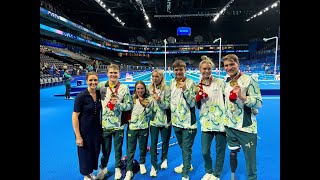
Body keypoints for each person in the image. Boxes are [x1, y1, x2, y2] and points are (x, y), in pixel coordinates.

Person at [222, 54, 262, 180]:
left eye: (232, 64)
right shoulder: (226, 81)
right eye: (226, 65)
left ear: (238, 64)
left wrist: (243, 97)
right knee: (232, 154)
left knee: (250, 161)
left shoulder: (249, 80)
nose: (229, 68)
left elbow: (259, 103)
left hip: (246, 127)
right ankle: (233, 177)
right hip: (230, 126)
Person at [96, 64, 133, 180]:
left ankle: (117, 168)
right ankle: (103, 167)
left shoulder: (124, 88)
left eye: (115, 73)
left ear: (119, 74)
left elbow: (129, 105)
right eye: (111, 73)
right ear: (107, 73)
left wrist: (118, 104)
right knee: (105, 150)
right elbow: (97, 101)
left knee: (118, 149)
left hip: (119, 125)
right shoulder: (101, 87)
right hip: (105, 125)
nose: (113, 75)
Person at [195, 56, 227, 180]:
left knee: (220, 150)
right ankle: (208, 171)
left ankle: (217, 174)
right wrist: (196, 97)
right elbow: (197, 105)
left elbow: (228, 98)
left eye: (209, 69)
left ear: (212, 69)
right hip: (206, 122)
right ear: (200, 70)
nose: (206, 71)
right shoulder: (198, 86)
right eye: (204, 69)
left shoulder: (220, 82)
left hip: (220, 122)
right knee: (204, 151)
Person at [71, 71, 102, 180]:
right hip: (84, 131)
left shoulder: (99, 94)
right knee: (85, 154)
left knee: (95, 152)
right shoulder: (81, 96)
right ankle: (86, 174)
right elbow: (75, 117)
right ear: (86, 81)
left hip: (96, 130)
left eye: (95, 80)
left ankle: (90, 172)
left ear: (98, 81)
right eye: (90, 80)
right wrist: (78, 136)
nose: (93, 82)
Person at [170, 59, 197, 180]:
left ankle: (185, 174)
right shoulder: (171, 82)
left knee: (186, 148)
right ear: (173, 71)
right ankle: (188, 164)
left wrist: (185, 89)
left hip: (188, 122)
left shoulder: (191, 83)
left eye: (181, 69)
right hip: (176, 122)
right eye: (176, 69)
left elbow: (192, 103)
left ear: (185, 70)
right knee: (183, 147)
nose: (178, 72)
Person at [124, 81, 153, 180]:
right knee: (130, 149)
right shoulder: (131, 99)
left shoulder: (148, 100)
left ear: (145, 89)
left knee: (143, 147)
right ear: (135, 89)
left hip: (144, 127)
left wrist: (147, 107)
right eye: (138, 88)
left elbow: (150, 115)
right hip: (132, 128)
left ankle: (142, 163)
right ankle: (129, 170)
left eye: (142, 88)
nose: (140, 90)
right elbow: (126, 110)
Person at [146, 69, 171, 177]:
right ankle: (154, 165)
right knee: (153, 143)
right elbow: (146, 103)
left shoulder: (167, 88)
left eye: (157, 76)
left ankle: (164, 158)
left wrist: (159, 100)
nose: (155, 78)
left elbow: (168, 105)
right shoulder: (148, 88)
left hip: (165, 121)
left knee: (165, 141)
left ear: (161, 77)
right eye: (153, 76)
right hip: (154, 120)